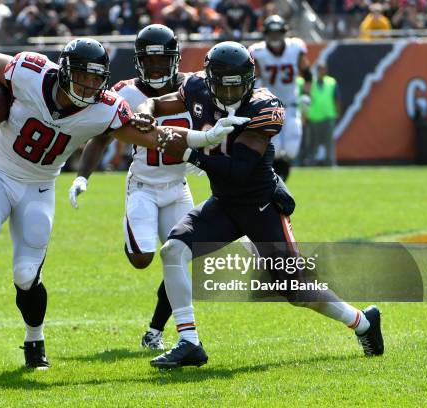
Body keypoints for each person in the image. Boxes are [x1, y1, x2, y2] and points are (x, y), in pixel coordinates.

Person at [0, 37, 240, 368]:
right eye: (82, 76)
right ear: (63, 71)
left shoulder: (105, 107)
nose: (90, 84)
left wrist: (202, 139)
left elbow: (152, 137)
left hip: (40, 186)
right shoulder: (31, 70)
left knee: (25, 275)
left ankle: (34, 341)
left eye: (96, 78)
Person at [134, 41, 384, 368]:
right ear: (209, 79)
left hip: (260, 206)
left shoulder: (263, 107)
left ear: (249, 80)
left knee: (296, 290)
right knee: (173, 250)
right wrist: (143, 113)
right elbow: (156, 105)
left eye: (235, 84)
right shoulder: (195, 87)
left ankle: (363, 321)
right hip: (223, 204)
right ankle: (189, 341)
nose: (228, 92)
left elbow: (238, 171)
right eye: (221, 84)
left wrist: (188, 151)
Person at [70, 24, 258, 351]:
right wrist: (83, 175)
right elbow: (101, 136)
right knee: (142, 258)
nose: (156, 67)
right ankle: (135, 237)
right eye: (149, 61)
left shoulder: (196, 87)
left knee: (180, 257)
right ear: (139, 61)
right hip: (142, 185)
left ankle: (155, 331)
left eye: (162, 61)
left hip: (178, 185)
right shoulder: (125, 92)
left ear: (175, 59)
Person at [249, 15, 312, 181]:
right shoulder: (258, 51)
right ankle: (274, 178)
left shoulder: (295, 48)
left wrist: (306, 95)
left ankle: (282, 175)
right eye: (272, 33)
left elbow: (307, 74)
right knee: (274, 148)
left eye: (278, 32)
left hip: (291, 104)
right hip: (270, 106)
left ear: (284, 32)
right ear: (266, 34)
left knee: (291, 149)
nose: (275, 36)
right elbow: (252, 78)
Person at [300, 61, 341, 166]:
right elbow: (305, 99)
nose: (321, 72)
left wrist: (337, 113)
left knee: (329, 144)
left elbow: (336, 98)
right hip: (313, 118)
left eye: (323, 69)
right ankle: (311, 164)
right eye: (319, 69)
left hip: (328, 117)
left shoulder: (331, 82)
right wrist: (304, 115)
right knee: (312, 144)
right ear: (316, 71)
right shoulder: (311, 83)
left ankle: (330, 163)